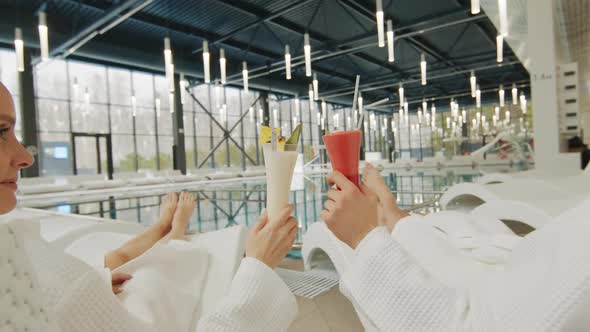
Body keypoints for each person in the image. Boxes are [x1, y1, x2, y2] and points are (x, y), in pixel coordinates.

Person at [0, 81, 298, 332]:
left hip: (94, 291)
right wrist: (259, 266)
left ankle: (165, 229)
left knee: (118, 264)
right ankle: (175, 232)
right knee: (156, 276)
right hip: (133, 309)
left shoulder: (15, 256)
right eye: (1, 131)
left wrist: (89, 287)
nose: (27, 157)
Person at [322, 165, 590, 331]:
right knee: (448, 243)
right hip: (521, 270)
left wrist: (363, 236)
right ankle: (394, 216)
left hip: (502, 290)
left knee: (438, 252)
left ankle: (392, 218)